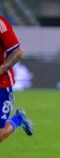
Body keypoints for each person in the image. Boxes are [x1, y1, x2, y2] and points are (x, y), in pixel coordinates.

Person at [0, 15, 34, 143]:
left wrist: (1, 70)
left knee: (0, 135)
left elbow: (17, 53)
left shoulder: (1, 24)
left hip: (2, 85)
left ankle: (18, 119)